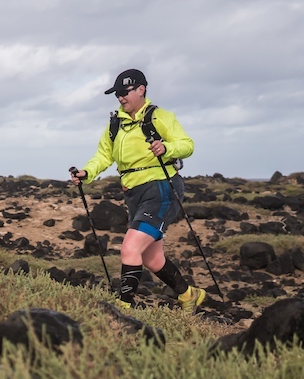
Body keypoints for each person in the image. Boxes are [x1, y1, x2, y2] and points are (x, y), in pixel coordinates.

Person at [69, 68, 206, 313]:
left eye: (125, 92)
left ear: (141, 89)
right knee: (152, 259)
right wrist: (87, 173)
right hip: (133, 193)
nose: (120, 97)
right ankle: (189, 295)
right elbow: (104, 155)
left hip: (161, 188)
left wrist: (166, 148)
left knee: (130, 249)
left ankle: (123, 308)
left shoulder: (159, 117)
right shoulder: (115, 124)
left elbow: (187, 145)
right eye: (117, 94)